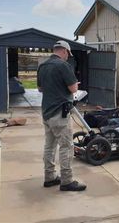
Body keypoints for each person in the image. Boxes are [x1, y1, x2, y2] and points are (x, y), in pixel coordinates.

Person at [37, 40, 86, 192]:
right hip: (60, 113)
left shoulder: (42, 66)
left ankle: (50, 177)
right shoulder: (64, 66)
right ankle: (67, 181)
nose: (67, 57)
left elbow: (39, 89)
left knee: (49, 146)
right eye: (68, 54)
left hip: (46, 112)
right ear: (64, 51)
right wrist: (74, 84)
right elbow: (72, 89)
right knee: (66, 146)